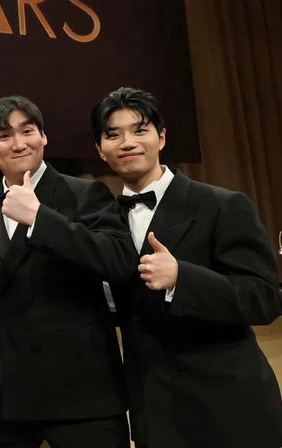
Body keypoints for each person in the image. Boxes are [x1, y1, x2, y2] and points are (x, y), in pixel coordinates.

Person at [91, 86, 282, 448]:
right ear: (100, 150)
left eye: (140, 130)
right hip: (154, 411)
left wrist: (183, 278)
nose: (127, 142)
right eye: (112, 135)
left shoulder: (222, 205)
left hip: (227, 406)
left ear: (162, 137)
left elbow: (264, 299)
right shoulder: (101, 221)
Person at [0, 95, 136, 447]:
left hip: (81, 386)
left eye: (28, 131)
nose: (19, 143)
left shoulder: (85, 193)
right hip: (9, 386)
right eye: (5, 136)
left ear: (44, 137)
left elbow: (119, 260)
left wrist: (41, 219)